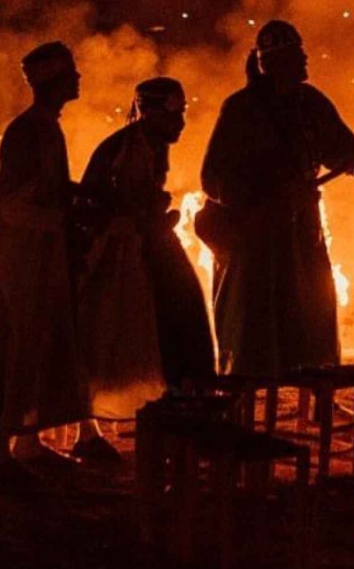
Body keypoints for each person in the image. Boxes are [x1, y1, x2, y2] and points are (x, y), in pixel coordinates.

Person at [199, 20, 354, 376]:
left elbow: (340, 150)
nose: (305, 61)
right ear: (272, 63)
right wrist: (266, 195)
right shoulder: (242, 109)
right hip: (255, 236)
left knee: (314, 306)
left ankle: (318, 385)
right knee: (255, 318)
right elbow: (213, 178)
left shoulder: (310, 103)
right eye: (295, 55)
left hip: (302, 229)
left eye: (302, 53)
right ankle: (245, 391)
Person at [72, 77, 215, 459]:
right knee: (114, 337)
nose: (182, 123)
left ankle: (177, 413)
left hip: (139, 246)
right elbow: (105, 202)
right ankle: (97, 430)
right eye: (175, 114)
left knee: (176, 324)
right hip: (120, 254)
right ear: (152, 112)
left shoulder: (148, 146)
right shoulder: (128, 148)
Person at [0, 41, 89, 484]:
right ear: (53, 82)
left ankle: (26, 442)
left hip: (36, 254)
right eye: (71, 74)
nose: (79, 80)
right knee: (16, 347)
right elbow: (13, 208)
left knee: (39, 345)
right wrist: (65, 214)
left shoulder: (46, 129)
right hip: (16, 256)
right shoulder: (27, 132)